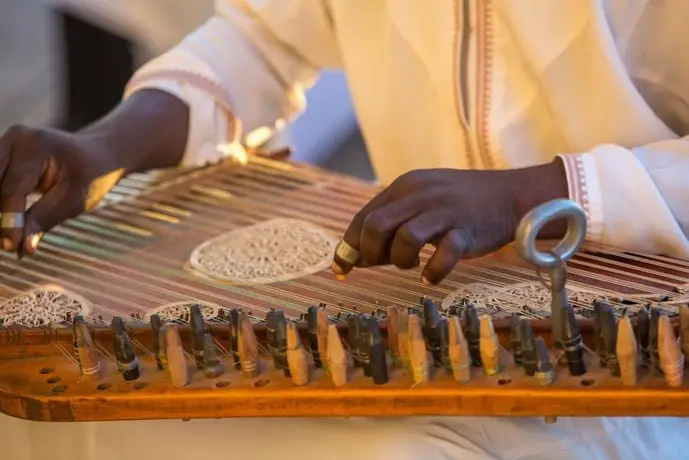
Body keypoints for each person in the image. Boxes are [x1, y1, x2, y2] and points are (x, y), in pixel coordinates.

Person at [2, 1, 689, 459]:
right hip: (403, 319)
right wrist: (107, 145)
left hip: (625, 359)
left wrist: (538, 192)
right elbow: (261, 40)